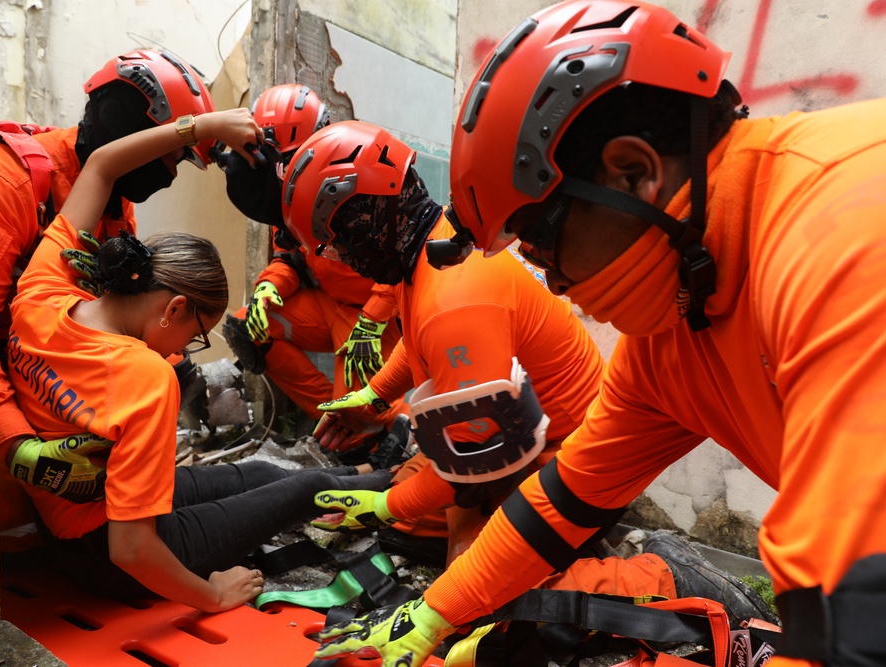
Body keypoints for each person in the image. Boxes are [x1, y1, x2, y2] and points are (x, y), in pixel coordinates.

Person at [310, 2, 886, 665]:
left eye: (542, 241)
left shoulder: (841, 236)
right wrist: (434, 612)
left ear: (632, 171)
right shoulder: (674, 326)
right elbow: (561, 502)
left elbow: (854, 624)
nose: (549, 279)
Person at [280, 119, 774, 647]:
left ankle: (662, 577)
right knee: (425, 548)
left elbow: (470, 473)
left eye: (331, 247)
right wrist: (376, 395)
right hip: (517, 446)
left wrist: (390, 510)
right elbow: (420, 343)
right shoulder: (430, 248)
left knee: (473, 604)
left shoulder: (455, 297)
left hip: (539, 460)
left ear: (362, 223)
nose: (554, 282)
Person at [6, 107, 390, 612]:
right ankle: (408, 486)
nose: (185, 352)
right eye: (196, 334)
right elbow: (132, 550)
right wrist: (212, 595)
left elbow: (100, 166)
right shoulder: (144, 378)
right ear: (175, 308)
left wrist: (203, 127)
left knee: (261, 474)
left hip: (80, 524)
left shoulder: (43, 290)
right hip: (105, 553)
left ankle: (366, 473)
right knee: (306, 488)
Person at [0, 50, 216, 548]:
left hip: (52, 408)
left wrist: (175, 362)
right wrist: (16, 445)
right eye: (174, 158)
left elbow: (114, 311)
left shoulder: (115, 204)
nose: (172, 175)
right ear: (128, 124)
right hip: (5, 413)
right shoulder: (6, 185)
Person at [220, 83, 404, 445]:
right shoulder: (285, 191)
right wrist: (269, 286)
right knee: (251, 328)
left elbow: (404, 260)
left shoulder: (365, 177)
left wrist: (371, 322)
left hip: (377, 317)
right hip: (329, 306)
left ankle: (394, 435)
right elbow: (287, 255)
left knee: (363, 413)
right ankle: (335, 422)